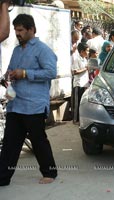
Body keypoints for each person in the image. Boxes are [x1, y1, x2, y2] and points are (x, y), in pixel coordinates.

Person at [0, 14, 58, 186]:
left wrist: (25, 73)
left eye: (20, 30)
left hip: (34, 105)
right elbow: (12, 69)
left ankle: (50, 173)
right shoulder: (17, 50)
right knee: (10, 143)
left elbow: (51, 72)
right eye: (16, 30)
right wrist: (8, 75)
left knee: (38, 140)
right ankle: (3, 177)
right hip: (16, 103)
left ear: (31, 30)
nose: (17, 34)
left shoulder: (42, 49)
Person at [71, 42, 89, 123]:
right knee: (77, 103)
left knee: (82, 102)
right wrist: (85, 69)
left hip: (84, 83)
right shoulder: (77, 59)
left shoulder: (85, 59)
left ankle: (80, 118)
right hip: (78, 84)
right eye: (87, 51)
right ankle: (75, 119)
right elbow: (75, 71)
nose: (88, 53)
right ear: (82, 51)